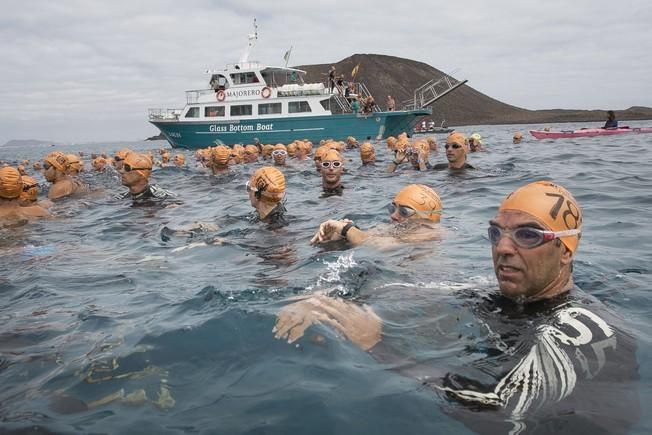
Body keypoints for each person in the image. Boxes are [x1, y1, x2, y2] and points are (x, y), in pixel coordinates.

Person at [275, 181, 639, 434]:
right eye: (497, 233)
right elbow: (411, 292)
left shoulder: (585, 328)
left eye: (527, 235)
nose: (504, 247)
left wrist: (379, 348)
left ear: (566, 250)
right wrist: (323, 302)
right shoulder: (501, 296)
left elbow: (502, 415)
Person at [309, 183, 442, 249]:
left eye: (404, 212)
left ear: (426, 218)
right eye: (392, 208)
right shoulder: (397, 230)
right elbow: (367, 237)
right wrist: (338, 236)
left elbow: (378, 245)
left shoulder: (429, 235)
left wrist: (347, 229)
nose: (394, 216)